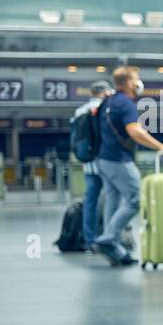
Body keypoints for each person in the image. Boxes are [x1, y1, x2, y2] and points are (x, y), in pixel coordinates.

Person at [91, 66, 163, 266]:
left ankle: (116, 250)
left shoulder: (108, 100)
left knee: (113, 202)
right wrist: (162, 147)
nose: (139, 83)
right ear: (130, 83)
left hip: (102, 159)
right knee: (135, 199)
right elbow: (135, 132)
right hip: (118, 160)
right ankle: (108, 238)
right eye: (137, 79)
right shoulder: (125, 103)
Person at [72, 80, 112, 251]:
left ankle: (90, 241)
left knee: (90, 201)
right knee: (112, 200)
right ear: (104, 92)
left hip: (88, 164)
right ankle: (109, 238)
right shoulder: (107, 109)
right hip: (108, 162)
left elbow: (76, 139)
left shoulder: (79, 111)